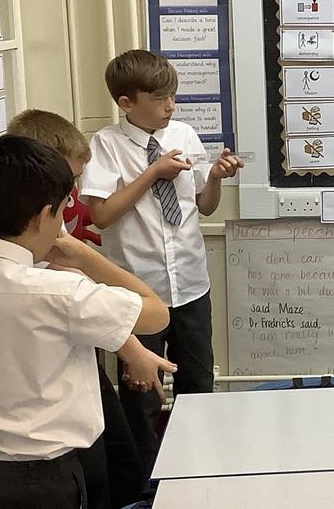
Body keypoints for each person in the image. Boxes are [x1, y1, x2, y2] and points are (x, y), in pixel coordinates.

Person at [0, 133, 170, 508]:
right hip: (36, 482)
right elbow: (156, 312)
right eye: (63, 210)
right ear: (43, 216)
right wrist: (85, 257)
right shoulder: (60, 293)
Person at [80, 50, 243, 481]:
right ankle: (146, 485)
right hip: (137, 293)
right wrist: (152, 173)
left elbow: (204, 206)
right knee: (141, 395)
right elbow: (101, 215)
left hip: (190, 284)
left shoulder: (185, 134)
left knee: (198, 384)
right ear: (126, 102)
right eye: (159, 99)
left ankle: (198, 470)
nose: (170, 106)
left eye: (173, 96)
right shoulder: (106, 145)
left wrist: (215, 177)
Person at [7, 109, 177, 508]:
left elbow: (77, 291)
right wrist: (132, 348)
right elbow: (147, 311)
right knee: (107, 469)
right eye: (70, 179)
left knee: (122, 463)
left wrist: (130, 348)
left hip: (76, 352)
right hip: (45, 394)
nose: (75, 193)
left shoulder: (49, 214)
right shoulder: (29, 230)